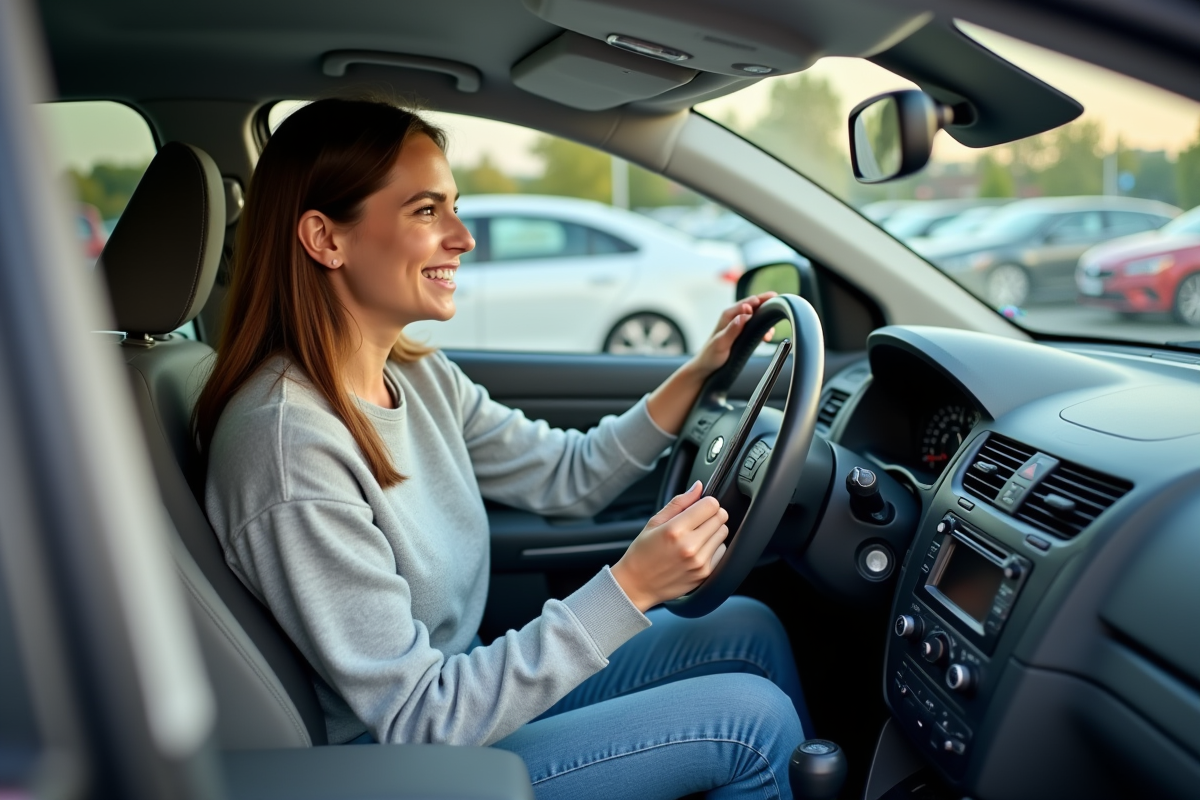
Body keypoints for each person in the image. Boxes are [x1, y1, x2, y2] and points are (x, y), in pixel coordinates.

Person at [197, 97, 809, 800]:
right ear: (325, 239)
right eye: (427, 211)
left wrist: (696, 374)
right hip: (398, 763)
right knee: (750, 725)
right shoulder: (288, 448)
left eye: (452, 207)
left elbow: (568, 477)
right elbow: (419, 719)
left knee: (745, 626)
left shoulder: (417, 376)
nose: (463, 236)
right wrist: (632, 586)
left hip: (464, 702)